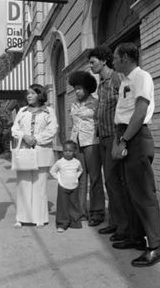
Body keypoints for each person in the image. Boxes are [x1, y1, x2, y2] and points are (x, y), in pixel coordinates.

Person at [112, 42, 160, 267]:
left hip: (136, 136)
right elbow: (122, 114)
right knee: (130, 192)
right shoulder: (125, 80)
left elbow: (140, 111)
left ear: (125, 57)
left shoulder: (141, 76)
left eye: (115, 57)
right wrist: (118, 139)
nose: (112, 61)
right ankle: (137, 238)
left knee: (144, 194)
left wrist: (124, 140)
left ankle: (157, 247)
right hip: (124, 134)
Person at [89, 46, 129, 241]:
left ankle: (124, 227)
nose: (90, 66)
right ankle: (114, 223)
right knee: (110, 182)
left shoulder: (117, 78)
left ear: (104, 60)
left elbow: (128, 107)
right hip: (103, 138)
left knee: (115, 182)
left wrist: (122, 139)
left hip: (116, 137)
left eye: (93, 62)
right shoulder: (100, 85)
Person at [11, 84, 58, 228]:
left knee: (40, 186)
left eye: (32, 93)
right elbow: (14, 129)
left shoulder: (49, 111)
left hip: (41, 152)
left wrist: (36, 139)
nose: (29, 96)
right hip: (24, 152)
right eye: (28, 94)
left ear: (40, 95)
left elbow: (53, 130)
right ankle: (22, 218)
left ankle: (39, 218)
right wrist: (24, 136)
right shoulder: (22, 111)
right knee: (23, 185)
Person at [69, 71, 105, 226]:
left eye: (79, 88)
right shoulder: (73, 104)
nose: (77, 91)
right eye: (75, 88)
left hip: (92, 143)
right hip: (77, 144)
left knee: (95, 178)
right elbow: (74, 126)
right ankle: (81, 212)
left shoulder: (96, 103)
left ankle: (97, 212)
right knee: (80, 178)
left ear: (87, 88)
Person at [50, 140, 83, 233]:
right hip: (62, 187)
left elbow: (80, 170)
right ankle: (62, 224)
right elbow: (52, 171)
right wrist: (59, 179)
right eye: (65, 150)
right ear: (62, 151)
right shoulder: (59, 162)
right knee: (62, 206)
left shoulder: (77, 162)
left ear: (74, 151)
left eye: (70, 151)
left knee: (74, 205)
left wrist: (76, 177)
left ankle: (75, 222)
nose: (68, 153)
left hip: (74, 187)